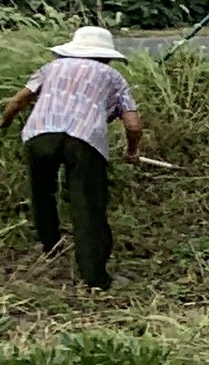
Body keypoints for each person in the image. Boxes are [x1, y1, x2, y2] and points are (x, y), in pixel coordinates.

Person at [8, 24, 150, 292]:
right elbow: (133, 125)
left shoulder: (51, 68)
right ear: (106, 55)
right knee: (87, 205)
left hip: (40, 134)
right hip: (83, 139)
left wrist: (4, 124)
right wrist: (132, 152)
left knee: (42, 194)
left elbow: (17, 101)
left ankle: (51, 247)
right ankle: (95, 277)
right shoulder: (112, 76)